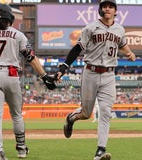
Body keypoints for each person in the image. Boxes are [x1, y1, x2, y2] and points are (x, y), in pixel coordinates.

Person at [0, 3, 56, 160]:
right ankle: (22, 149)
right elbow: (30, 57)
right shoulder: (18, 35)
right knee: (16, 115)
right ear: (10, 18)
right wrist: (44, 76)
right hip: (11, 75)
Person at [55, 0, 136, 159]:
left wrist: (130, 52)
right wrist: (64, 66)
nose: (107, 8)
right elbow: (78, 48)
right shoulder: (90, 27)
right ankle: (71, 118)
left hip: (109, 75)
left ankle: (100, 150)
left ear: (115, 11)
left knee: (105, 112)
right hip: (91, 72)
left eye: (110, 6)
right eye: (104, 6)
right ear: (100, 10)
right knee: (86, 113)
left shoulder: (120, 29)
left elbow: (122, 43)